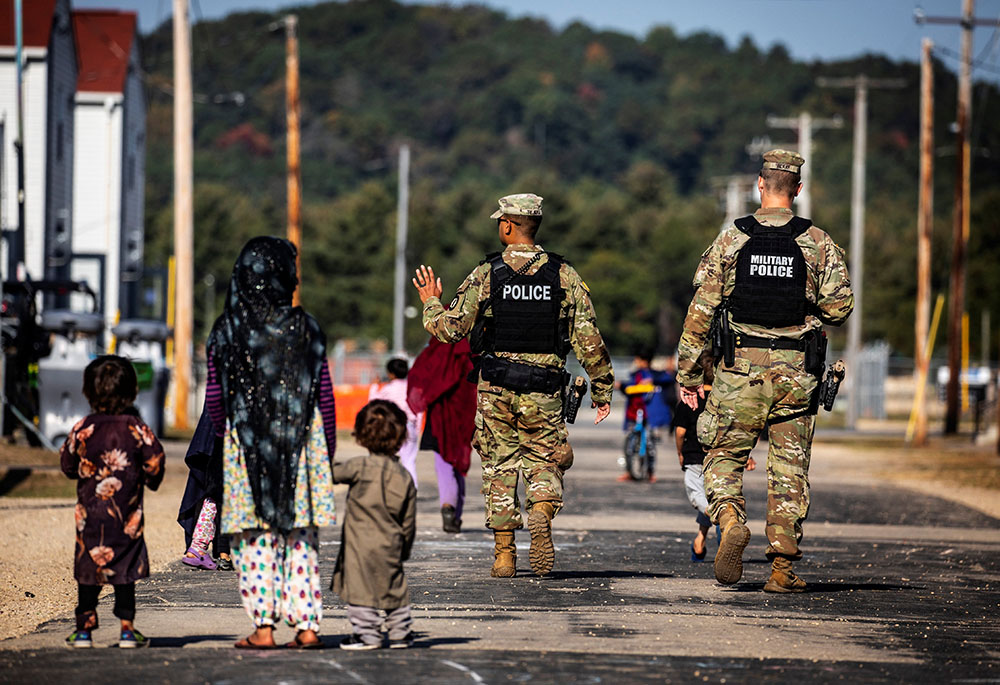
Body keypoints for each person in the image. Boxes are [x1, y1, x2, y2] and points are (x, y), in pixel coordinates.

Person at [676, 150, 854, 592]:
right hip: (797, 376)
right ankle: (781, 570)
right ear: (797, 189)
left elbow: (700, 313)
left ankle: (732, 517)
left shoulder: (731, 240)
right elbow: (840, 308)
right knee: (788, 472)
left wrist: (689, 375)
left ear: (760, 184)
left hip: (738, 373)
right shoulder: (817, 242)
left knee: (721, 457)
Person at [413, 192, 614, 578]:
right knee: (545, 462)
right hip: (545, 390)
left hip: (496, 389)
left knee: (499, 467)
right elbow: (589, 341)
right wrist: (602, 390)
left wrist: (431, 302)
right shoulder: (564, 275)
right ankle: (540, 511)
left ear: (506, 226)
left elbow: (450, 330)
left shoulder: (486, 274)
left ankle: (505, 555)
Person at [207, 237, 337, 649]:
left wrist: (223, 434)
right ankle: (308, 626)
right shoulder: (308, 327)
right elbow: (325, 396)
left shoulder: (227, 329)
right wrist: (325, 452)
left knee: (252, 540)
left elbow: (215, 398)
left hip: (246, 445)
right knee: (301, 539)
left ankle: (263, 628)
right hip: (303, 446)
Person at [59, 355, 165, 648]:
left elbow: (67, 462)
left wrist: (79, 471)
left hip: (90, 517)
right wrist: (149, 480)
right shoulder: (136, 428)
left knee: (89, 570)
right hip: (126, 515)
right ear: (132, 392)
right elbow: (155, 460)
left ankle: (84, 630)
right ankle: (127, 630)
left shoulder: (84, 428)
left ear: (88, 393)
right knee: (125, 570)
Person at [332, 400, 417, 650]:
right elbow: (409, 520)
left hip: (358, 547)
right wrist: (405, 548)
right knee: (394, 588)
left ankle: (367, 635)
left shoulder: (358, 467)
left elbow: (331, 473)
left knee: (360, 592)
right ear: (401, 437)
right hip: (391, 543)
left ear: (360, 436)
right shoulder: (404, 477)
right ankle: (400, 633)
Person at [673, 355, 755, 562]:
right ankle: (702, 537)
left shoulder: (688, 401)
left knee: (698, 498)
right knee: (717, 497)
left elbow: (680, 433)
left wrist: (680, 453)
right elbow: (737, 432)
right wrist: (746, 455)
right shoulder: (728, 403)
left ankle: (727, 522)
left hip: (694, 458)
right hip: (722, 458)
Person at [406, 337, 478, 533]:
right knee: (459, 461)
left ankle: (447, 505)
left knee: (443, 460)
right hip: (464, 413)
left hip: (439, 414)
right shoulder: (470, 351)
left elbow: (420, 376)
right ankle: (456, 513)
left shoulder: (436, 351)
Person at [176, 400, 231, 571]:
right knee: (223, 489)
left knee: (215, 490)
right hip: (229, 425)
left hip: (215, 426)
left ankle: (204, 547)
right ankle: (221, 551)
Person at [615, 350, 675, 482]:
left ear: (642, 360)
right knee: (629, 443)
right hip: (634, 411)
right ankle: (629, 471)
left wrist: (651, 380)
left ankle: (650, 472)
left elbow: (668, 379)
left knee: (649, 443)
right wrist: (621, 386)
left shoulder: (655, 375)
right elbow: (629, 388)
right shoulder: (635, 375)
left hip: (649, 413)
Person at [368, 358, 421, 486]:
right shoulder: (412, 389)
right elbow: (419, 410)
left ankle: (389, 487)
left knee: (388, 458)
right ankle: (412, 488)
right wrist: (417, 429)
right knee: (409, 460)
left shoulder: (388, 389)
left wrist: (375, 386)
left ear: (390, 373)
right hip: (410, 426)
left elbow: (373, 402)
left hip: (393, 426)